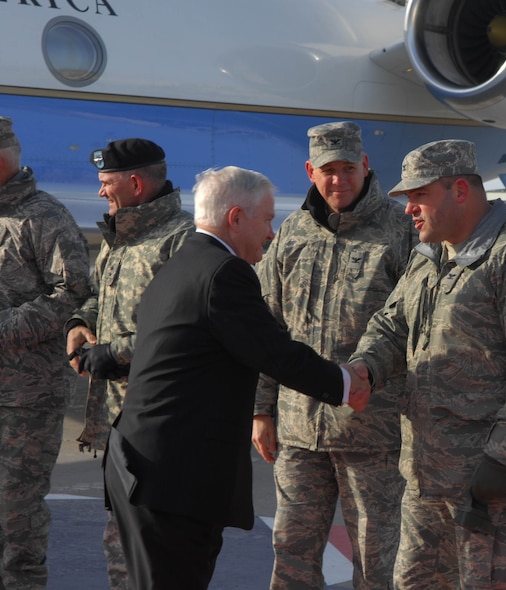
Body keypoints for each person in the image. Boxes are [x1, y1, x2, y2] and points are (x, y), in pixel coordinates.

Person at [104, 165, 372, 590]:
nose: (271, 233)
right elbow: (273, 351)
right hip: (173, 482)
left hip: (150, 469)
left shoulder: (185, 263)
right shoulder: (224, 274)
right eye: (267, 219)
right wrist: (344, 385)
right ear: (235, 218)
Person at [348, 139, 506, 589]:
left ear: (461, 191)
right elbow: (391, 326)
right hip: (426, 481)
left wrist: (501, 462)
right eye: (408, 199)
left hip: (488, 491)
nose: (410, 209)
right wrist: (364, 368)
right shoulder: (430, 257)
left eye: (420, 196)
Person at [252, 121, 414, 589]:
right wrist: (261, 409)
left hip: (373, 434)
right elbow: (268, 328)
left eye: (348, 168)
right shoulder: (292, 233)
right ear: (310, 171)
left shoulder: (400, 232)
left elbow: (410, 326)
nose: (338, 179)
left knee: (377, 559)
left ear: (365, 166)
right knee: (291, 551)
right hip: (299, 432)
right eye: (328, 170)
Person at [64, 137, 194, 589]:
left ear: (136, 183)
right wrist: (82, 322)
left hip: (160, 423)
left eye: (106, 183)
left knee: (154, 547)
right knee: (119, 544)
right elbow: (101, 294)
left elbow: (183, 329)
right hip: (119, 420)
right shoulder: (121, 235)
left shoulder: (182, 241)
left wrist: (112, 352)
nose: (100, 193)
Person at [0, 117, 91, 589]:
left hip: (25, 398)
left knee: (17, 519)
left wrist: (9, 328)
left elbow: (74, 289)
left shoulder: (43, 216)